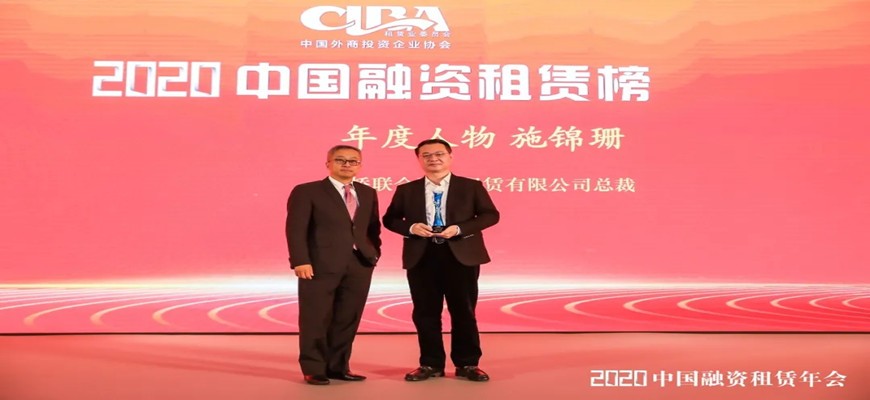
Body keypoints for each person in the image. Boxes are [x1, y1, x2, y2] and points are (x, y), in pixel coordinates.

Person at [382, 139, 500, 382]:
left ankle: (467, 364)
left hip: (461, 255)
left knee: (464, 311)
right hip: (422, 256)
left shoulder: (471, 186)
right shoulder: (407, 190)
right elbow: (390, 219)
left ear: (450, 156)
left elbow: (490, 215)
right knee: (425, 312)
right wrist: (411, 227)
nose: (433, 158)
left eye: (439, 154)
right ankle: (430, 364)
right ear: (419, 159)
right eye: (426, 155)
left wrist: (460, 228)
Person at [285, 145, 381, 385]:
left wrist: (373, 254)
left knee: (348, 318)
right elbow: (296, 229)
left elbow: (372, 228)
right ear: (328, 163)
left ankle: (338, 366)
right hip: (318, 265)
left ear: (360, 165)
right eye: (340, 160)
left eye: (353, 161)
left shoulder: (367, 192)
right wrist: (300, 260)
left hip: (359, 264)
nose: (347, 164)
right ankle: (314, 368)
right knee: (315, 317)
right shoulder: (307, 191)